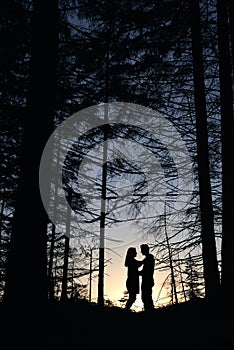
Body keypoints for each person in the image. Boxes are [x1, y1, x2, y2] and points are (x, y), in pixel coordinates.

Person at [139, 244, 155, 311]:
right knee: (146, 297)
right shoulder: (148, 258)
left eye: (142, 250)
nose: (141, 252)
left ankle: (150, 312)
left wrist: (136, 272)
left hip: (147, 281)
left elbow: (146, 271)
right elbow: (141, 263)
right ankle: (149, 311)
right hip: (147, 280)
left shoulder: (149, 258)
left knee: (146, 297)